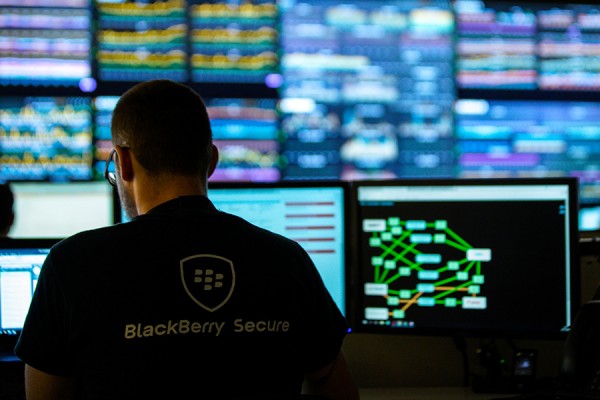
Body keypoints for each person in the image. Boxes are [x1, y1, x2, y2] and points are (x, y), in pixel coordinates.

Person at [15, 79, 360, 400]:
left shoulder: (72, 264)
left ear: (122, 163)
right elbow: (336, 386)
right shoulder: (288, 259)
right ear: (211, 161)